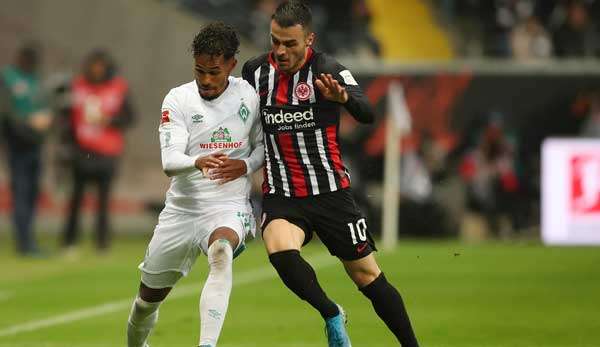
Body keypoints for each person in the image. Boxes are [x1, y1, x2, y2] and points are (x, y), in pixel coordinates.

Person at [238, 2, 419, 346]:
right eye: (275, 41)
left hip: (331, 193)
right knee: (278, 249)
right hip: (283, 194)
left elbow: (367, 112)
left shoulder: (328, 70)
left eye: (289, 44)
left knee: (367, 276)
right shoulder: (255, 72)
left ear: (309, 40)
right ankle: (331, 312)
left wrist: (344, 99)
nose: (280, 51)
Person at [126, 22, 264, 347]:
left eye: (214, 71)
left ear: (231, 64)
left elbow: (261, 149)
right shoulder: (178, 99)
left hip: (228, 206)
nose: (206, 79)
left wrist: (244, 165)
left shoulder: (249, 96)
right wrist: (196, 162)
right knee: (147, 302)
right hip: (182, 211)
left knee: (221, 252)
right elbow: (169, 161)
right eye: (200, 71)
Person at [59, 50, 135, 253]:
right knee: (76, 198)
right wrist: (66, 147)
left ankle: (102, 243)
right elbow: (65, 117)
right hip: (81, 151)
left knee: (103, 200)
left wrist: (109, 120)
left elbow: (130, 118)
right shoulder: (77, 86)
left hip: (107, 152)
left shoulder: (118, 88)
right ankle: (69, 241)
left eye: (100, 66)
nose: (96, 70)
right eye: (93, 66)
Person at [0, 43, 52, 256]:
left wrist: (46, 121)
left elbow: (46, 108)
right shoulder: (7, 78)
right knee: (21, 193)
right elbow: (6, 112)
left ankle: (28, 239)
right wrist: (29, 124)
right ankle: (24, 242)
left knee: (31, 194)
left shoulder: (37, 81)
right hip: (16, 144)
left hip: (35, 145)